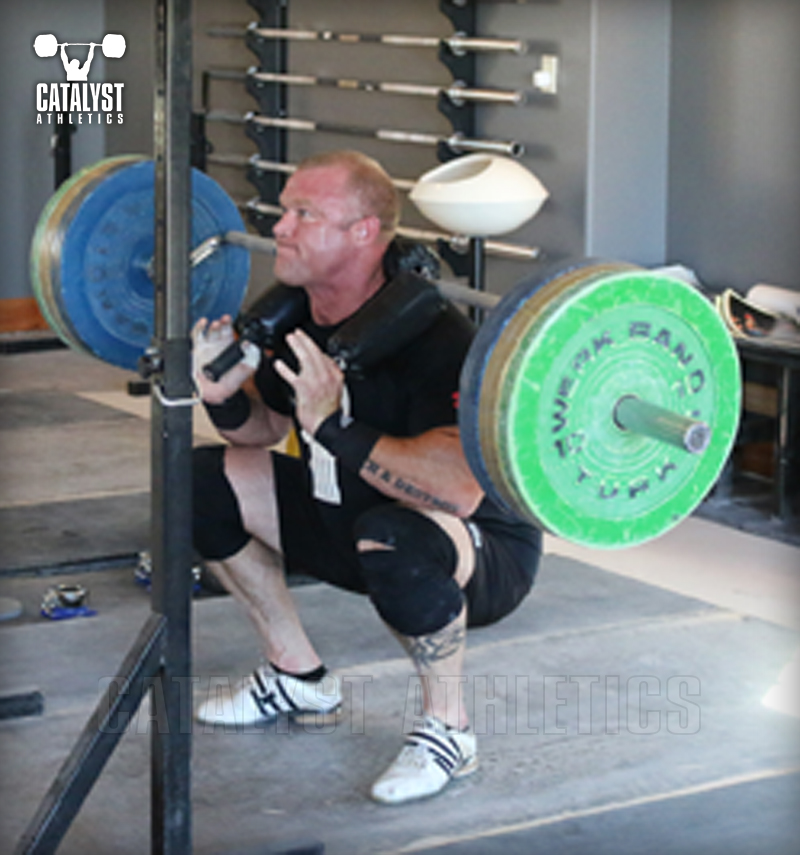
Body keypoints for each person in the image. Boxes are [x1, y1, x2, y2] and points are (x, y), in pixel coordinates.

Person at [191, 149, 541, 804]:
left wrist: (332, 426)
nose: (280, 228)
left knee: (394, 533)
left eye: (304, 214)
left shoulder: (440, 340)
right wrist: (225, 396)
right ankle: (297, 676)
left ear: (363, 233)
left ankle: (449, 730)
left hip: (475, 554)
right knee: (198, 483)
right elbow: (262, 429)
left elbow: (458, 489)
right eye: (284, 211)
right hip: (345, 518)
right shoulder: (298, 317)